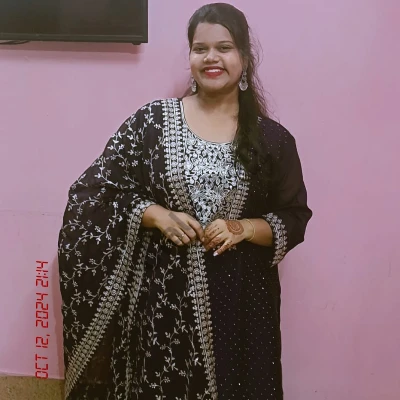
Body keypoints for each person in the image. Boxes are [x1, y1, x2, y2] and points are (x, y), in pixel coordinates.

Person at [58, 3, 312, 399]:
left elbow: (294, 217)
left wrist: (243, 228)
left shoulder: (272, 140)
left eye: (224, 48)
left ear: (245, 58)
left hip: (240, 306)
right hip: (161, 306)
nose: (211, 58)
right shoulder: (151, 123)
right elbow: (94, 193)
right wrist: (153, 214)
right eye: (200, 48)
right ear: (190, 56)